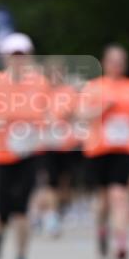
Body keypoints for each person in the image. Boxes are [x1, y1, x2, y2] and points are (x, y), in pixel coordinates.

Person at [0, 33, 49, 259]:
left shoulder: (40, 83)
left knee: (22, 209)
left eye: (23, 56)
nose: (18, 61)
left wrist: (43, 126)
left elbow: (48, 113)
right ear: (5, 58)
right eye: (13, 56)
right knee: (4, 208)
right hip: (1, 153)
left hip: (29, 152)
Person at [81, 45, 129, 259]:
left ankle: (121, 242)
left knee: (120, 195)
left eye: (120, 61)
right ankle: (101, 230)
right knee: (103, 199)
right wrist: (103, 109)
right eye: (112, 60)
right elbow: (83, 116)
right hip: (98, 149)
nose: (117, 65)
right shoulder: (93, 87)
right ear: (104, 63)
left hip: (123, 148)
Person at [37, 58, 82, 237]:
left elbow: (76, 113)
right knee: (49, 181)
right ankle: (50, 216)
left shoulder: (69, 92)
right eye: (52, 72)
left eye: (59, 72)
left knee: (65, 182)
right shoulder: (40, 92)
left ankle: (57, 211)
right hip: (46, 144)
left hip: (66, 144)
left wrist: (66, 116)